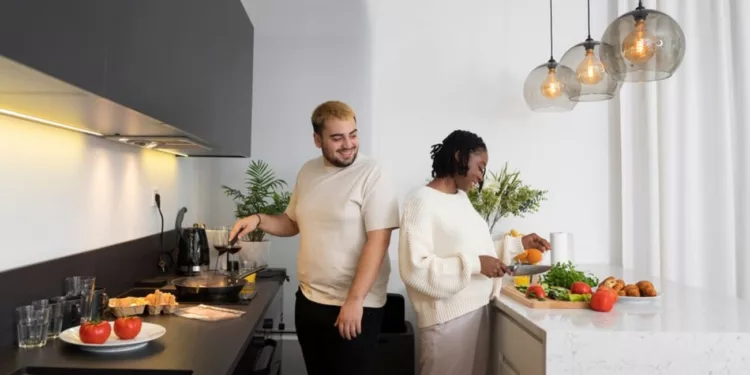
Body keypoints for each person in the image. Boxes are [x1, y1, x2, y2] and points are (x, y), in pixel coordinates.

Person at [229, 100, 400, 375]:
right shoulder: (308, 171)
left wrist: (355, 301)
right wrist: (258, 219)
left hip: (355, 306)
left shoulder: (373, 173)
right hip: (309, 302)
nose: (348, 144)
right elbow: (292, 222)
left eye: (353, 134)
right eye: (337, 138)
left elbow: (379, 241)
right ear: (317, 139)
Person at [398, 130, 551, 375]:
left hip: (475, 312)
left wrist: (519, 244)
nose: (481, 177)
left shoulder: (460, 199)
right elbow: (415, 269)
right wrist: (477, 265)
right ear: (459, 156)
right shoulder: (420, 201)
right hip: (447, 323)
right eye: (480, 167)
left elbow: (475, 251)